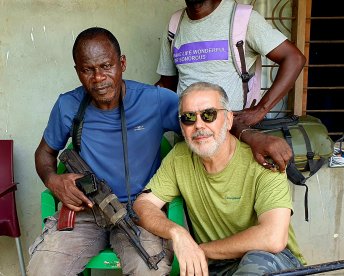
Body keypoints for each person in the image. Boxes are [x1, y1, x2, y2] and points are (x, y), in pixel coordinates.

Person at [28, 27, 293, 276]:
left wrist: (253, 136)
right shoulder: (67, 105)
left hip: (138, 215)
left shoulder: (154, 100)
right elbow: (44, 153)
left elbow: (202, 118)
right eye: (88, 70)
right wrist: (53, 180)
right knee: (42, 268)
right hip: (86, 210)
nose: (98, 78)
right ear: (77, 71)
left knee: (150, 270)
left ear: (122, 63)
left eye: (106, 66)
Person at [134, 82, 306, 275]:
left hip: (274, 262)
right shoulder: (179, 158)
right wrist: (178, 233)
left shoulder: (263, 160)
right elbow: (143, 205)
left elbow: (273, 237)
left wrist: (201, 250)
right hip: (218, 265)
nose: (199, 125)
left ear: (229, 120)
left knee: (255, 262)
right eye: (188, 118)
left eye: (209, 114)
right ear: (182, 127)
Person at [156, 0, 306, 127]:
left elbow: (294, 58)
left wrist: (261, 110)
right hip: (188, 131)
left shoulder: (242, 19)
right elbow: (167, 84)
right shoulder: (174, 24)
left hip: (233, 134)